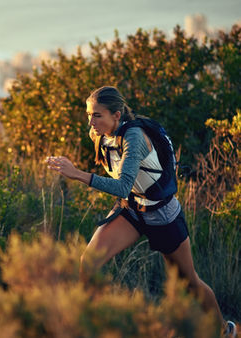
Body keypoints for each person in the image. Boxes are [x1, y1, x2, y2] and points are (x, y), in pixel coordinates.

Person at [45, 86, 236, 337]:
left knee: (189, 281)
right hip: (132, 210)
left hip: (162, 215)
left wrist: (78, 174)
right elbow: (127, 189)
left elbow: (123, 186)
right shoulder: (100, 133)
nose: (90, 121)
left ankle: (225, 331)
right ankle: (92, 328)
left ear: (116, 115)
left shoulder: (134, 137)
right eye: (89, 114)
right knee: (88, 262)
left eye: (97, 115)